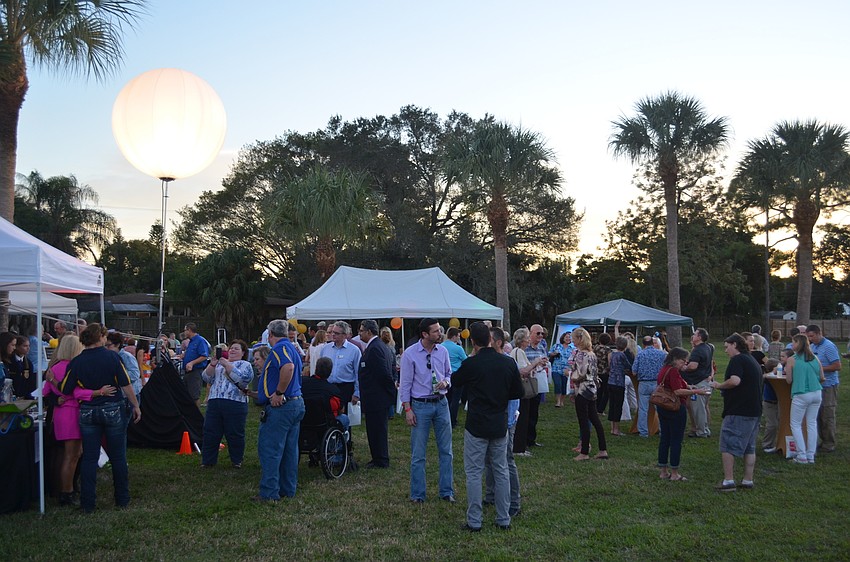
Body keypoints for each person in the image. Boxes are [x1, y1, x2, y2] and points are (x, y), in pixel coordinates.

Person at [60, 323, 141, 513]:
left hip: (88, 411)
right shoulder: (112, 357)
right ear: (100, 337)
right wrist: (135, 405)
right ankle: (122, 498)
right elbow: (125, 384)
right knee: (118, 456)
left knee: (89, 457)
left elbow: (66, 389)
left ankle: (87, 503)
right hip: (113, 408)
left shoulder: (77, 361)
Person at [453, 322, 524, 532]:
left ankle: (475, 520)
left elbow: (455, 382)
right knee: (500, 470)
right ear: (491, 340)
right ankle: (503, 518)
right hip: (499, 422)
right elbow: (517, 392)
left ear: (473, 342)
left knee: (474, 472)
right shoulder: (507, 363)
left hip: (476, 424)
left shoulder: (471, 364)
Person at [43, 335, 111, 506]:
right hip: (71, 413)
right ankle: (67, 492)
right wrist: (97, 392)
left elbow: (45, 391)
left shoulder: (55, 367)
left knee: (73, 454)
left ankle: (68, 488)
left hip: (62, 414)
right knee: (71, 455)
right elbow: (76, 392)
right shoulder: (71, 367)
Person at [248, 319, 305, 502]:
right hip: (295, 403)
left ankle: (269, 492)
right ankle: (288, 489)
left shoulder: (279, 349)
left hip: (282, 407)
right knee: (289, 450)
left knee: (270, 449)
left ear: (270, 334)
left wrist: (279, 393)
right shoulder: (292, 348)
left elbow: (288, 368)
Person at [399, 318, 454, 503]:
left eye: (440, 330)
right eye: (436, 331)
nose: (440, 333)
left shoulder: (443, 351)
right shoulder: (410, 354)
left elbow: (448, 374)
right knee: (418, 453)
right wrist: (408, 409)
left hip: (441, 403)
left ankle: (446, 491)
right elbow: (405, 384)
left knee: (446, 451)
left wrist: (446, 382)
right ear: (425, 334)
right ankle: (418, 494)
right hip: (420, 405)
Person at [710, 333, 763, 492]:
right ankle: (748, 480)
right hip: (754, 410)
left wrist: (718, 385)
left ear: (735, 345)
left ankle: (728, 481)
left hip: (739, 410)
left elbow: (735, 381)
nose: (726, 351)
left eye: (727, 347)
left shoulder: (738, 360)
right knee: (749, 447)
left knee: (727, 445)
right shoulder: (752, 360)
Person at [484, 327, 522, 518]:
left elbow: (515, 394)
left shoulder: (508, 363)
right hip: (490, 419)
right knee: (488, 460)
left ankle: (514, 502)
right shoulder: (486, 361)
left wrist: (508, 421)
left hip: (505, 419)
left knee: (506, 460)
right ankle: (491, 495)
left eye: (489, 339)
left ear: (498, 342)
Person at [656, 347, 709, 481]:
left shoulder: (665, 369)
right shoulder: (673, 371)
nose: (684, 364)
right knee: (676, 440)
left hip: (663, 406)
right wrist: (696, 392)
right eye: (683, 361)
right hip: (675, 408)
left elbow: (677, 385)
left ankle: (663, 471)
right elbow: (677, 391)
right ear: (675, 359)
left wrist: (689, 387)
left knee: (665, 439)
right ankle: (674, 473)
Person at [201, 339, 254, 469]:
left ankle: (236, 460)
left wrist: (227, 364)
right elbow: (206, 378)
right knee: (211, 432)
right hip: (215, 401)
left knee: (234, 432)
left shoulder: (245, 364)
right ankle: (208, 460)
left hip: (235, 403)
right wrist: (212, 365)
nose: (232, 350)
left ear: (243, 353)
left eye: (236, 348)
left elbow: (242, 379)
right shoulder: (219, 365)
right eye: (231, 348)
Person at [357, 319, 396, 468]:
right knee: (374, 429)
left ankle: (381, 459)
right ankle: (377, 457)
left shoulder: (375, 348)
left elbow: (383, 373)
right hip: (375, 396)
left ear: (369, 331)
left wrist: (390, 392)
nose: (359, 333)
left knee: (377, 430)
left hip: (377, 397)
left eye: (361, 330)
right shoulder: (375, 346)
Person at [784, 334, 824, 464]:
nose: (792, 345)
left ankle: (801, 455)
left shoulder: (792, 359)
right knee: (812, 423)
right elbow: (822, 377)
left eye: (793, 342)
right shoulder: (815, 358)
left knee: (795, 424)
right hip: (816, 392)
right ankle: (810, 455)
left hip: (801, 393)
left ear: (798, 344)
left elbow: (789, 380)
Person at [570, 328, 608, 461]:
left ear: (579, 339)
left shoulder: (581, 355)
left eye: (574, 338)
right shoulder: (592, 354)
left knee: (584, 421)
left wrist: (570, 374)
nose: (572, 341)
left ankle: (584, 452)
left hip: (582, 389)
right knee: (595, 419)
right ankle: (603, 449)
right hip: (592, 389)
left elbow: (580, 373)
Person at [509, 328, 547, 457]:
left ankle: (521, 445)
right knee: (522, 418)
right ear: (523, 340)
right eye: (527, 338)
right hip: (522, 390)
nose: (529, 340)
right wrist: (535, 362)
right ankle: (519, 448)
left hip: (522, 388)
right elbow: (522, 371)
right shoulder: (519, 352)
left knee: (525, 417)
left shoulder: (520, 352)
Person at [806, 325, 840, 453]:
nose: (810, 339)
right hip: (817, 386)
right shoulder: (813, 346)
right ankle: (822, 440)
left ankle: (829, 443)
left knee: (827, 415)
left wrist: (819, 369)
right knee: (818, 415)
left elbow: (837, 365)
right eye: (808, 337)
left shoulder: (829, 346)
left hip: (828, 385)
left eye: (812, 336)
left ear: (819, 333)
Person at [320, 321, 361, 411]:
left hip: (345, 388)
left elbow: (359, 373)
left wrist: (357, 393)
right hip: (328, 387)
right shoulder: (325, 349)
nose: (333, 335)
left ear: (345, 335)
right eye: (332, 332)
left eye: (336, 333)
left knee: (344, 418)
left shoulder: (354, 350)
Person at [681, 328, 714, 438]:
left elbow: (693, 366)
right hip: (706, 381)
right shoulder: (709, 347)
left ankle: (701, 432)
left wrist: (685, 367)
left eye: (695, 334)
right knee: (702, 408)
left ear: (699, 337)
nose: (693, 336)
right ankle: (704, 429)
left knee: (698, 409)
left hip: (698, 383)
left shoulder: (697, 350)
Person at [632, 335, 667, 437]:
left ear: (643, 344)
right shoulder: (662, 354)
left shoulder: (640, 354)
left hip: (644, 383)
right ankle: (662, 430)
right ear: (653, 343)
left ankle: (643, 432)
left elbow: (634, 371)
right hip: (658, 384)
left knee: (643, 409)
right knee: (660, 408)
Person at [302, 356, 349, 431]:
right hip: (323, 425)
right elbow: (340, 410)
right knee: (344, 418)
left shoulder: (302, 383)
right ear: (330, 372)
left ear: (316, 368)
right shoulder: (332, 390)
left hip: (303, 421)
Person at [523, 324, 548, 448]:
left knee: (534, 412)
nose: (540, 336)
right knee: (525, 413)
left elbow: (545, 360)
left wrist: (543, 363)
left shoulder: (541, 347)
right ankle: (523, 440)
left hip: (537, 383)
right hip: (526, 384)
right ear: (530, 333)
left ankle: (531, 439)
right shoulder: (524, 348)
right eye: (538, 333)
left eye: (542, 333)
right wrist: (535, 363)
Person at [106, 333, 142, 407]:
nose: (106, 348)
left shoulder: (127, 356)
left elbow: (135, 374)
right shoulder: (110, 357)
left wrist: (118, 377)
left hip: (130, 395)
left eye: (109, 345)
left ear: (118, 345)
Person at [442, 327, 468, 428]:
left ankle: (444, 418)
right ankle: (452, 420)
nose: (459, 338)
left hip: (445, 375)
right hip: (456, 374)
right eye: (458, 336)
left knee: (446, 398)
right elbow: (465, 360)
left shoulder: (441, 346)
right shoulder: (458, 348)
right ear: (454, 336)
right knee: (455, 399)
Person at [607, 336, 632, 436]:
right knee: (618, 406)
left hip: (611, 381)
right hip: (619, 382)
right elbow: (628, 366)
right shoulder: (622, 355)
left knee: (612, 405)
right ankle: (616, 429)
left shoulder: (612, 354)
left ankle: (612, 427)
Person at [182, 323, 210, 408]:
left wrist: (192, 363)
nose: (184, 332)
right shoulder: (191, 341)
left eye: (185, 330)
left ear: (189, 330)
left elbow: (204, 356)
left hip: (195, 372)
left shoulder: (200, 341)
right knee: (187, 394)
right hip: (187, 372)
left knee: (194, 395)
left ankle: (197, 416)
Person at [550, 331, 574, 409]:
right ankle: (558, 401)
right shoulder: (556, 346)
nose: (568, 338)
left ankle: (562, 400)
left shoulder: (572, 348)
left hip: (566, 370)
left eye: (569, 337)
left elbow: (574, 359)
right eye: (566, 337)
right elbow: (549, 353)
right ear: (563, 338)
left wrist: (570, 368)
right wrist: (554, 353)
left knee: (564, 386)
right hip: (556, 368)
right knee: (558, 384)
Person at [8, 335, 36, 399]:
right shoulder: (9, 361)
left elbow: (30, 382)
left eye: (29, 346)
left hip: (24, 396)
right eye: (25, 346)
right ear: (17, 347)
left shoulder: (28, 363)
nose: (28, 348)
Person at [592, 332, 612, 414]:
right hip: (605, 372)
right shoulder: (608, 350)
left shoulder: (595, 348)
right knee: (606, 392)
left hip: (596, 372)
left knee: (598, 390)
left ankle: (596, 407)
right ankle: (601, 409)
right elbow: (610, 361)